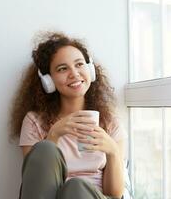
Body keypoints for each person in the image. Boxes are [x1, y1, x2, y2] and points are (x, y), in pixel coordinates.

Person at [9, 31, 127, 199]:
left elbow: (114, 194)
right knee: (44, 148)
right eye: (62, 69)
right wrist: (54, 134)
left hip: (90, 195)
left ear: (90, 70)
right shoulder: (34, 121)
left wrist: (113, 152)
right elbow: (32, 183)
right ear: (48, 81)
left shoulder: (110, 122)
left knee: (76, 188)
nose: (74, 73)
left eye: (79, 65)